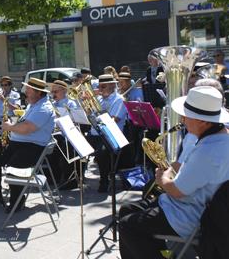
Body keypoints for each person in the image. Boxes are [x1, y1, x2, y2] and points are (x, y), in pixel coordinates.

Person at [118, 86, 229, 259]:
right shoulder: (221, 137)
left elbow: (177, 191)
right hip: (188, 207)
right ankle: (163, 253)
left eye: (186, 116)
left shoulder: (207, 152)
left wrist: (162, 179)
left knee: (127, 226)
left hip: (187, 215)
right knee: (126, 209)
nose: (183, 120)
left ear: (204, 121)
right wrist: (170, 171)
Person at [0, 78, 55, 212]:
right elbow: (24, 122)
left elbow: (27, 128)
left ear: (38, 93)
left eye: (29, 89)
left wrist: (10, 127)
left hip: (32, 148)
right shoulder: (33, 104)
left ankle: (17, 201)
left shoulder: (43, 108)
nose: (26, 92)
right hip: (19, 144)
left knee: (13, 165)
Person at [89, 74, 127, 192]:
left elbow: (114, 120)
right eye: (99, 87)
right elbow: (90, 117)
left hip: (111, 135)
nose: (100, 90)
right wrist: (88, 107)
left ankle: (104, 180)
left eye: (103, 87)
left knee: (101, 151)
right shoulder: (99, 99)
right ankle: (75, 179)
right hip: (96, 134)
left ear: (112, 86)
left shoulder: (119, 99)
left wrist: (99, 114)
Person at [50, 80, 80, 189]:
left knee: (65, 152)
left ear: (64, 90)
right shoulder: (52, 104)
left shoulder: (71, 103)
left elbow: (75, 120)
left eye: (55, 91)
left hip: (67, 135)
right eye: (52, 92)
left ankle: (69, 180)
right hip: (56, 134)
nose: (53, 94)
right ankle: (54, 178)